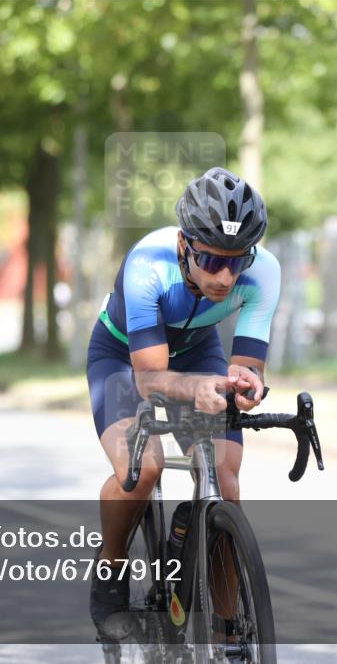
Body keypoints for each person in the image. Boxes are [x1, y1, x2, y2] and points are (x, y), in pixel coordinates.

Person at [85, 166, 280, 639]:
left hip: (197, 349)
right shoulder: (147, 262)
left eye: (238, 261)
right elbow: (150, 378)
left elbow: (249, 363)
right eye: (212, 260)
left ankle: (228, 628)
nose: (226, 275)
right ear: (184, 245)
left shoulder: (264, 271)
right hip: (122, 356)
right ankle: (110, 571)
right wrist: (195, 389)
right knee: (142, 468)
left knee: (225, 480)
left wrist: (245, 384)